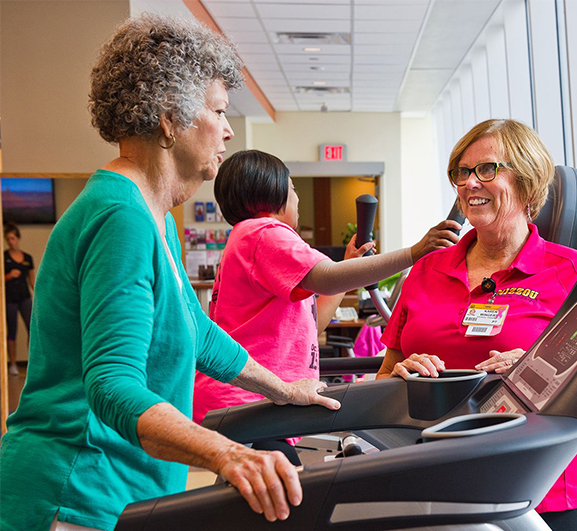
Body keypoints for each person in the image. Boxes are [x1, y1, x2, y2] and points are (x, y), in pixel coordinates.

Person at [0, 15, 341, 531]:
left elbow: (196, 331)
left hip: (121, 486)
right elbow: (112, 384)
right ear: (169, 117)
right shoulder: (121, 218)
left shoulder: (156, 218)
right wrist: (229, 454)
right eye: (220, 111)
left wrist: (281, 389)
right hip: (76, 487)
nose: (228, 129)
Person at [377, 118, 577, 531]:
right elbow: (386, 373)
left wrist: (536, 370)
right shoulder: (427, 270)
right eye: (461, 172)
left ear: (527, 182)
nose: (469, 183)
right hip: (439, 478)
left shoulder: (574, 274)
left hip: (544, 491)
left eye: (486, 170)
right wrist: (400, 377)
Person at [193, 149, 461, 463]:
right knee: (283, 497)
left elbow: (313, 323)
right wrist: (415, 252)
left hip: (245, 402)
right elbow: (329, 278)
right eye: (292, 188)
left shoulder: (246, 240)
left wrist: (349, 264)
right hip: (249, 401)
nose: (297, 198)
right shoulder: (264, 233)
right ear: (273, 191)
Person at [4, 222, 35, 376]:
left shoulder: (28, 258)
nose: (10, 241)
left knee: (32, 329)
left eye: (13, 238)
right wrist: (9, 276)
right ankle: (13, 365)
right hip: (10, 300)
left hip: (25, 299)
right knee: (12, 330)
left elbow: (32, 281)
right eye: (8, 239)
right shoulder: (4, 257)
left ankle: (32, 363)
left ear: (18, 238)